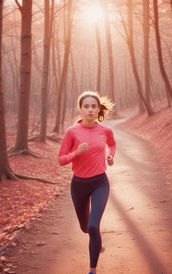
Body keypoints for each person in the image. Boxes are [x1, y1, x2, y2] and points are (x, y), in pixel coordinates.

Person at [58, 91, 116, 274]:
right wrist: (76, 153)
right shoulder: (72, 132)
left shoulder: (105, 131)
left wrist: (110, 156)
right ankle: (96, 238)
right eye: (86, 106)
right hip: (79, 185)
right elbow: (61, 159)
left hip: (100, 182)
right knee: (85, 228)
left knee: (93, 226)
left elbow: (112, 144)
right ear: (80, 109)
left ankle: (92, 270)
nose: (90, 110)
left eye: (93, 106)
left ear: (98, 109)